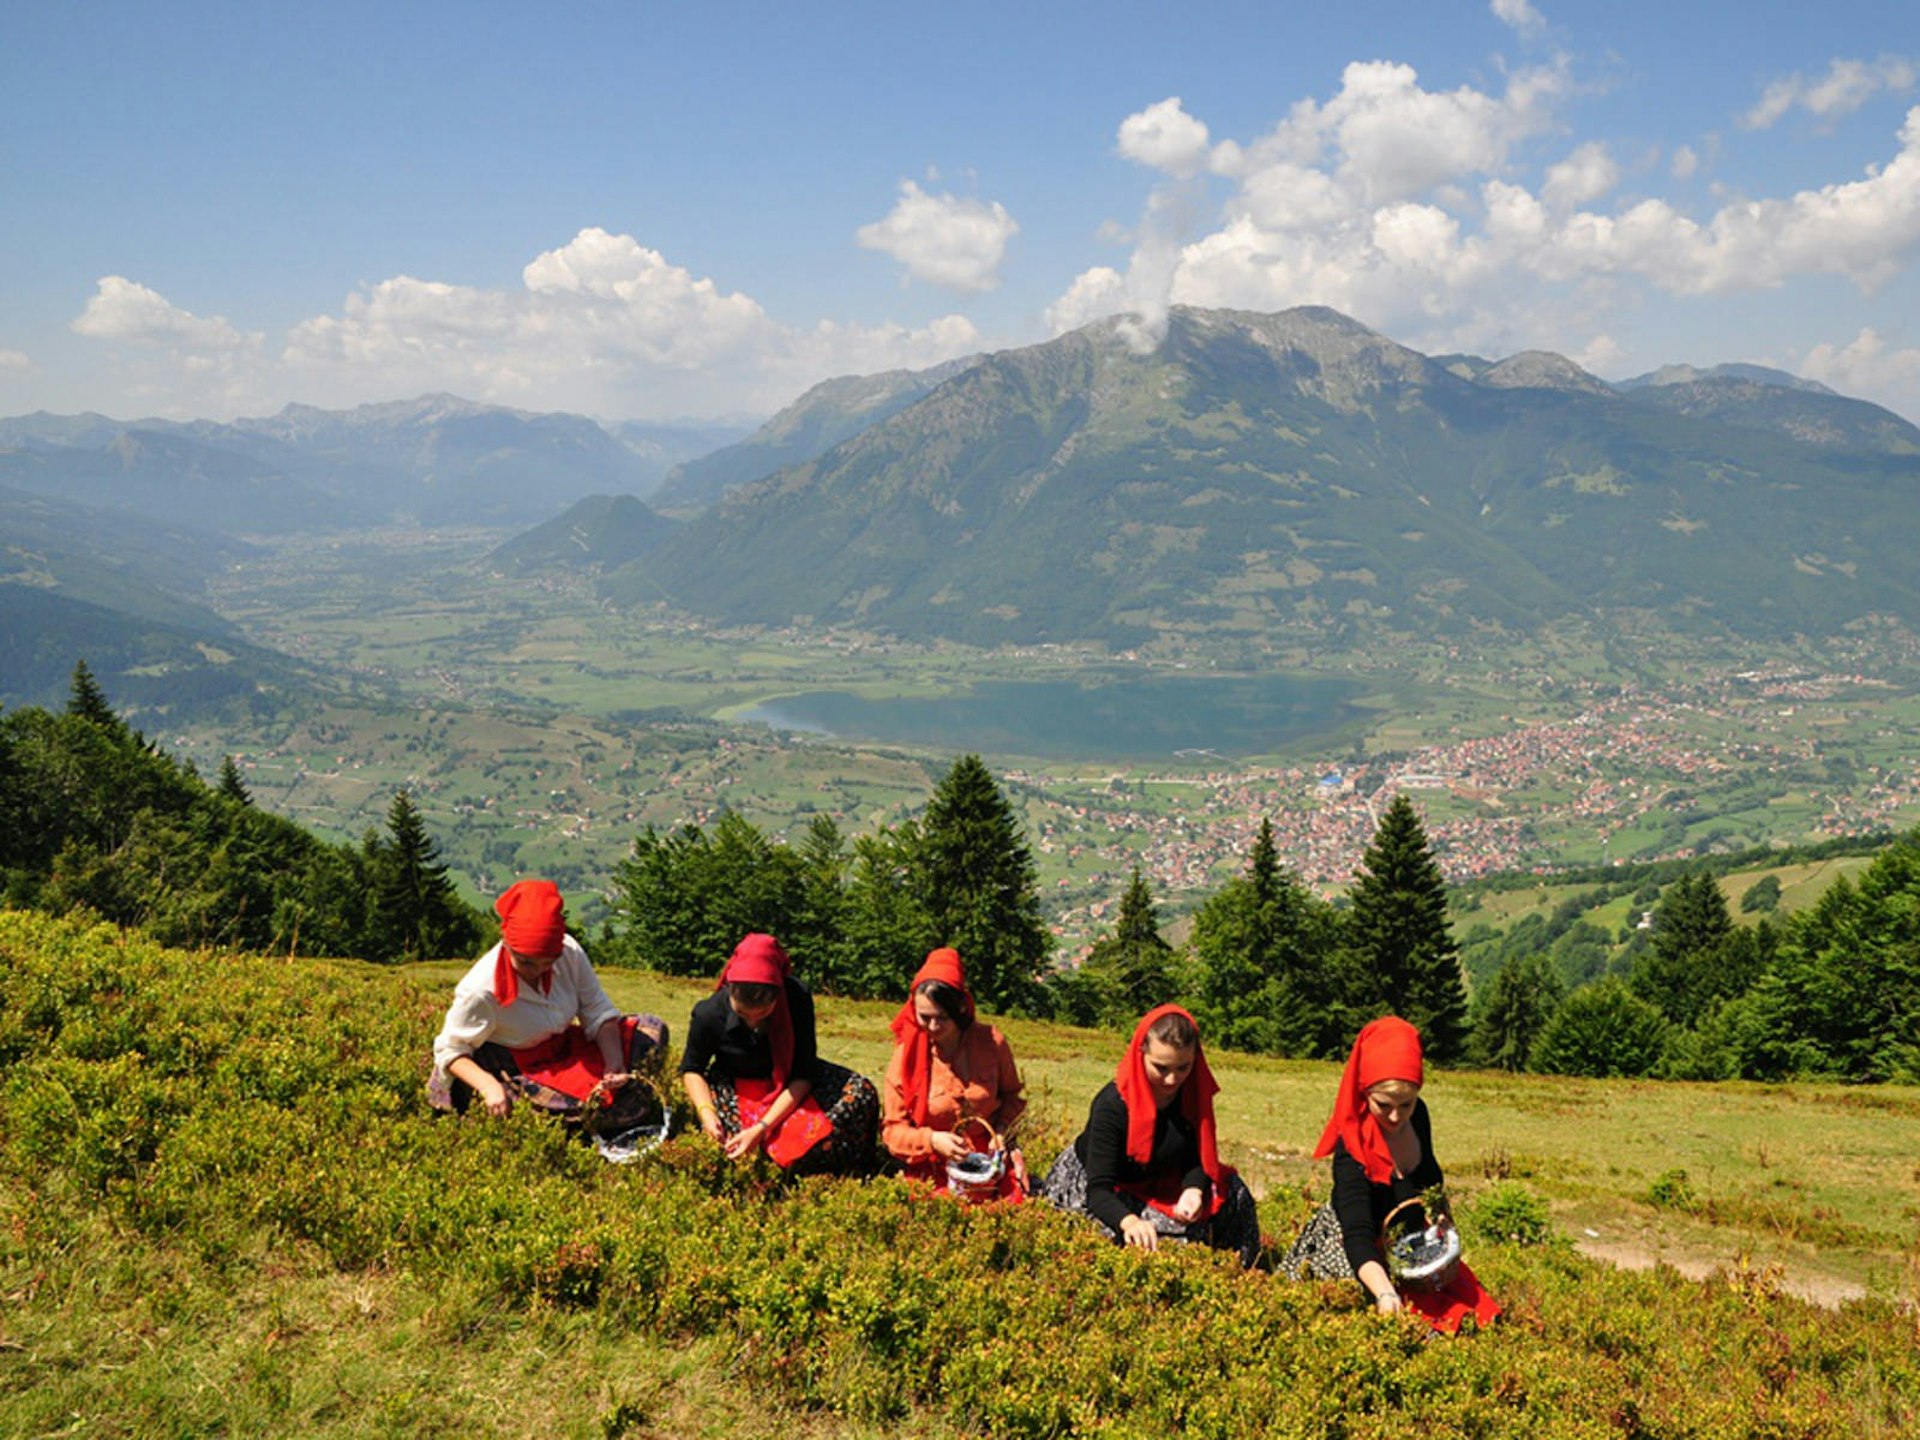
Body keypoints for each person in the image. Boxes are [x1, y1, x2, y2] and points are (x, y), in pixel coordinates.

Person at [1282, 1015, 1500, 1333]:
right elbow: (1356, 1233)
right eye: (1383, 1105)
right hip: (1354, 1249)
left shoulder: (1419, 1116)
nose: (1396, 1116)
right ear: (1365, 1091)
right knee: (1405, 1321)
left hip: (1406, 1241)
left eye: (1406, 1104)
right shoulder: (1352, 1144)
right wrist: (1385, 1292)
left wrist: (1440, 1218)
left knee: (1471, 1309)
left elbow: (1430, 1179)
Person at [429, 879, 668, 1137]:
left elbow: (598, 1012)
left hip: (565, 1047)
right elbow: (449, 1050)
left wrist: (614, 1062)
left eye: (548, 961)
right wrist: (488, 1087)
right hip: (515, 1065)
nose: (540, 970)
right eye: (527, 963)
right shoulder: (480, 989)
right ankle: (599, 1113)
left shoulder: (569, 952)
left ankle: (607, 1108)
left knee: (652, 1030)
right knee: (594, 1108)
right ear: (506, 943)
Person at [1038, 1003, 1261, 1266]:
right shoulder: (1112, 1106)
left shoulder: (1191, 1095)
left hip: (1159, 1175)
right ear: (1140, 1053)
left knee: (1236, 1196)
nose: (1171, 1080)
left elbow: (1196, 1156)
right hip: (1102, 1186)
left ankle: (1244, 1272)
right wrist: (1129, 1221)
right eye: (1161, 1068)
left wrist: (1193, 1189)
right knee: (1165, 1238)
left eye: (1183, 1068)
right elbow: (1098, 1190)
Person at [680, 932, 878, 1176]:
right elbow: (692, 1069)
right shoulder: (709, 1013)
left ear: (779, 994)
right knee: (734, 1135)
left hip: (792, 1083)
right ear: (730, 990)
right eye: (743, 1015)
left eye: (763, 1014)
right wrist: (706, 1113)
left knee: (860, 1093)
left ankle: (845, 1171)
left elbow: (804, 1071)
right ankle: (787, 1165)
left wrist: (764, 1127)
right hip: (736, 1082)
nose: (752, 1021)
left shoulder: (797, 998)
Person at [881, 947, 1028, 1199]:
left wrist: (1002, 1131)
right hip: (931, 1165)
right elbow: (892, 1132)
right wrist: (932, 1141)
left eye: (942, 1018)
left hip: (989, 1163)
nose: (933, 1027)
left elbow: (1013, 1096)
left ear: (960, 1008)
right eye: (925, 1017)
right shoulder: (907, 1057)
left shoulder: (992, 1043)